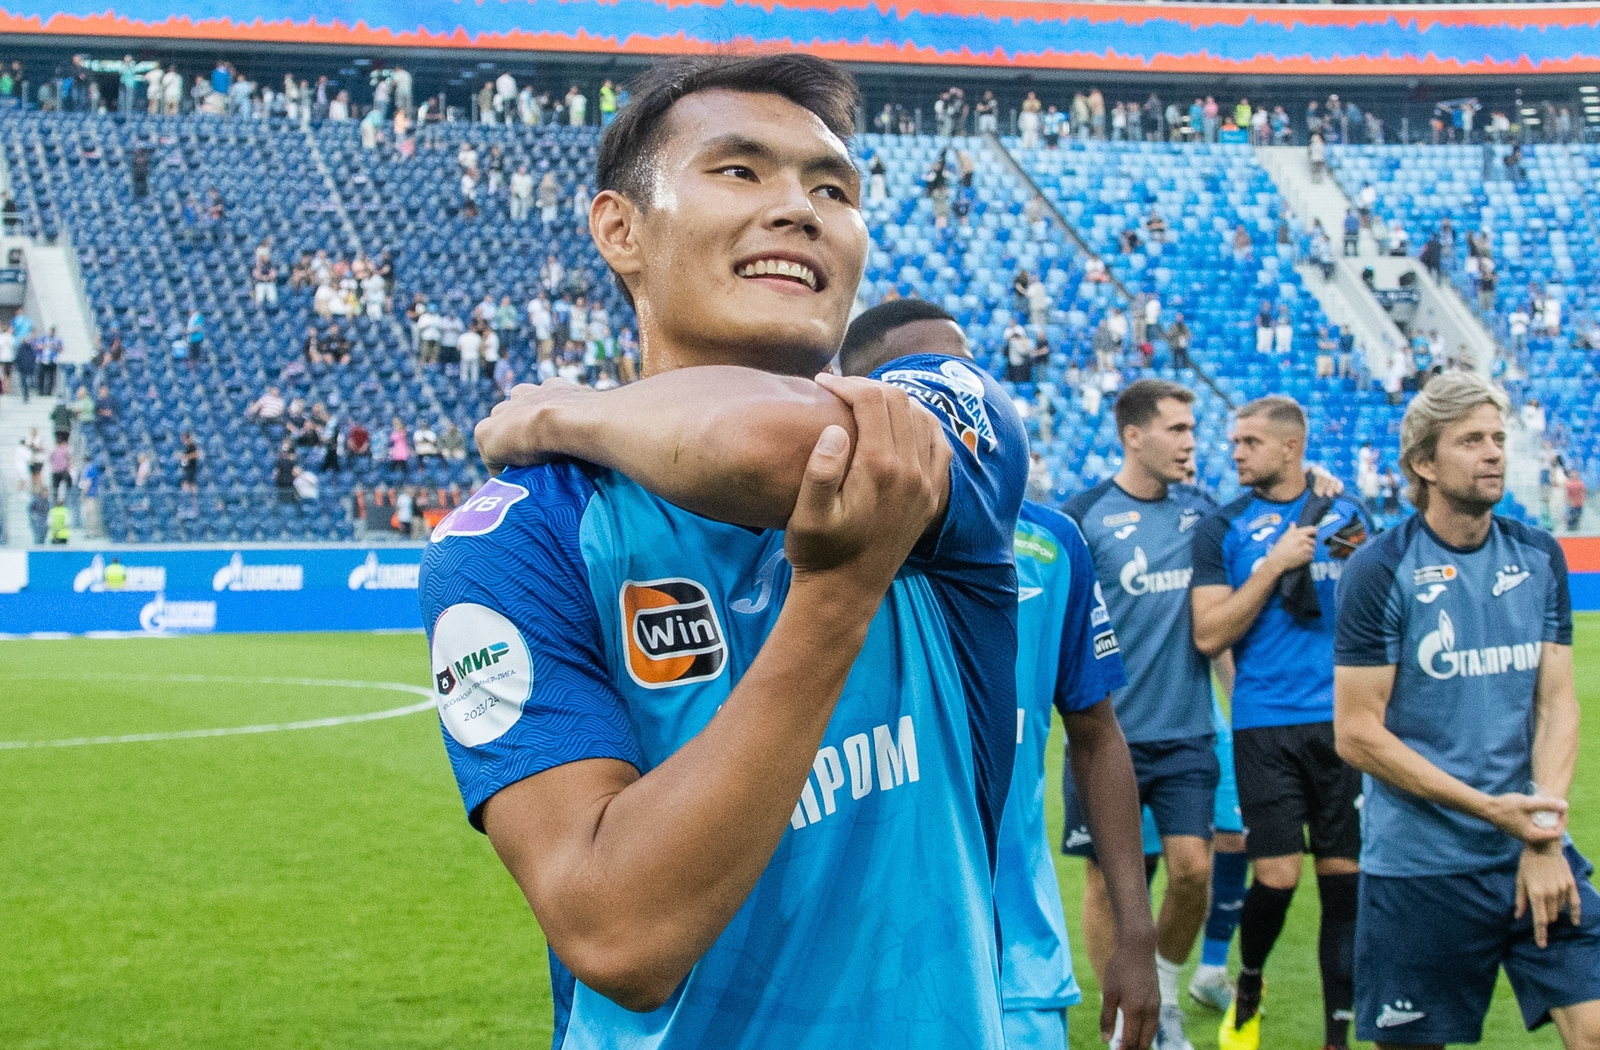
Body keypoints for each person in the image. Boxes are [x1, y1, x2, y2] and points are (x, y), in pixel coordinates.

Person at [435, 54, 1034, 1048]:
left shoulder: (954, 415)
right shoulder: (520, 533)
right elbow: (619, 934)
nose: (799, 207)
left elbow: (778, 445)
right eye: (740, 171)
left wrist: (570, 411)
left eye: (833, 189)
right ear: (619, 230)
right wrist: (834, 601)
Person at [838, 299, 1161, 1050]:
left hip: (1017, 968)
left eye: (965, 370)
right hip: (855, 969)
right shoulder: (810, 541)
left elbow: (1097, 735)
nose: (957, 394)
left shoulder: (1052, 545)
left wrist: (1136, 932)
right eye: (921, 378)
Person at [1333, 370, 1600, 1049]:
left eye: (1498, 439)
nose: (1493, 453)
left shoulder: (1538, 554)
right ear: (1424, 463)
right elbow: (1357, 734)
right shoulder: (1378, 570)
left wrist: (1541, 834)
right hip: (1421, 868)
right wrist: (1491, 810)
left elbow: (1557, 705)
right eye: (1472, 440)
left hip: (1533, 851)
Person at [1065, 380, 1252, 1050]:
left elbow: (1220, 623)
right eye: (1177, 430)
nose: (1191, 444)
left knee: (1194, 870)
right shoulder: (1082, 519)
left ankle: (1164, 998)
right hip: (1105, 736)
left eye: (1193, 431)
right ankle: (1123, 1022)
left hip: (1189, 732)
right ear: (1133, 436)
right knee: (1109, 884)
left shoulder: (1204, 517)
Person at [1190, 397, 1373, 1050]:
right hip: (1264, 724)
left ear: (1292, 448)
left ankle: (1336, 1037)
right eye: (1234, 441)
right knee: (1276, 878)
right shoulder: (1223, 527)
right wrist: (1273, 566)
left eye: (1249, 442)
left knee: (1344, 886)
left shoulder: (1347, 516)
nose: (1235, 452)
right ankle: (1249, 978)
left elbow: (1380, 607)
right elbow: (1209, 634)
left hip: (1344, 725)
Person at [1566, 468, 1586, 533]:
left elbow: (1583, 493)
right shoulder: (1569, 484)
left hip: (1578, 504)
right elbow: (1568, 495)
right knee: (1572, 520)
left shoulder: (1580, 484)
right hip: (1573, 505)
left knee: (1576, 519)